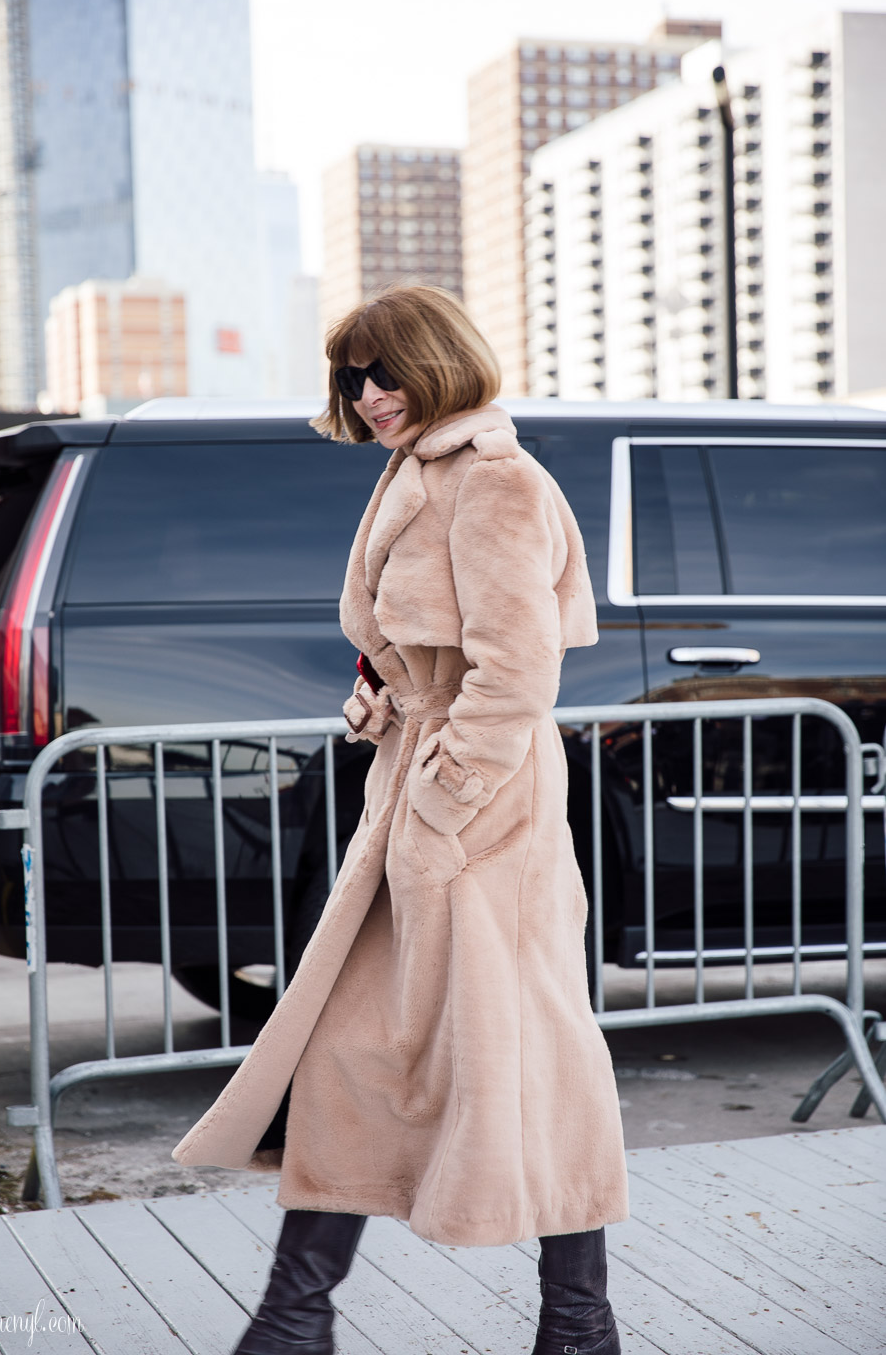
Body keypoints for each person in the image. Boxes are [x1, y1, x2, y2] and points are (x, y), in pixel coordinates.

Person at [173, 285, 629, 1355]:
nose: (369, 393)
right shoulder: (421, 467)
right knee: (349, 1047)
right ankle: (296, 1317)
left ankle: (575, 1319)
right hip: (420, 789)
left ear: (437, 360)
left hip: (482, 811)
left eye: (386, 371)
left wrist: (446, 793)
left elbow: (517, 671)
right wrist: (385, 702)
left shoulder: (494, 478)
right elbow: (430, 644)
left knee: (528, 1054)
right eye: (352, 376)